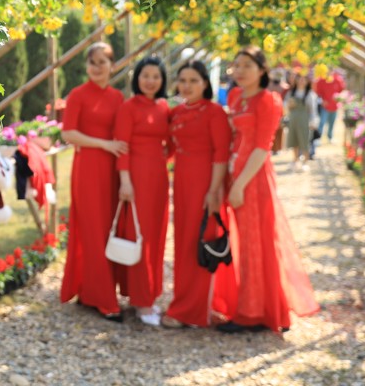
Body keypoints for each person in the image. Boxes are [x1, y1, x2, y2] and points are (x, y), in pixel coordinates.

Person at [220, 46, 319, 333]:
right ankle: (253, 305)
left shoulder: (269, 100)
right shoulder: (237, 96)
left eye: (247, 66)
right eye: (236, 66)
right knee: (244, 243)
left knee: (256, 242)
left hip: (253, 179)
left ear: (262, 70)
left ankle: (255, 313)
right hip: (234, 173)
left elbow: (262, 147)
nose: (239, 71)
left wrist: (239, 184)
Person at [162, 61, 237, 329]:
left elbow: (221, 153)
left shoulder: (214, 112)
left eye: (194, 80)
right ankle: (188, 303)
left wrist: (214, 190)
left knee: (200, 240)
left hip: (205, 182)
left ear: (205, 83)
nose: (187, 86)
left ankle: (191, 311)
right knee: (183, 243)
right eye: (182, 80)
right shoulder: (177, 111)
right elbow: (168, 148)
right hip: (182, 181)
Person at [59, 42, 128, 321]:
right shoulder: (77, 95)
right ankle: (104, 299)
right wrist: (104, 144)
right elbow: (69, 134)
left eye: (103, 62)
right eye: (92, 62)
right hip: (88, 167)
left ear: (113, 65)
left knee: (108, 226)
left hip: (112, 169)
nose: (97, 67)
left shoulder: (118, 98)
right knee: (93, 228)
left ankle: (91, 291)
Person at [113, 56, 170, 327]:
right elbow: (121, 145)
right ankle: (141, 300)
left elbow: (171, 142)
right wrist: (125, 180)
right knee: (140, 236)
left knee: (157, 237)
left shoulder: (163, 107)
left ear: (162, 81)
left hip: (158, 177)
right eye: (145, 75)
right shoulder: (129, 107)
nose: (150, 81)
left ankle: (150, 294)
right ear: (137, 78)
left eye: (156, 76)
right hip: (135, 178)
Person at [284, 72, 318, 171]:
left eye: (304, 79)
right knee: (294, 140)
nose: (302, 81)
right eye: (300, 78)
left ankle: (305, 162)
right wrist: (288, 105)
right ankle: (295, 160)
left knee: (304, 141)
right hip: (293, 119)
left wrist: (313, 122)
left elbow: (313, 110)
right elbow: (286, 105)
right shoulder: (291, 92)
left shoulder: (310, 94)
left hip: (304, 120)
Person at [314, 69, 346, 143]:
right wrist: (322, 101)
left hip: (334, 106)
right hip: (325, 106)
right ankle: (318, 138)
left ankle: (330, 137)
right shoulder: (321, 80)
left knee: (332, 122)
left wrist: (339, 99)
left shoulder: (337, 79)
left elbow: (341, 91)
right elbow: (318, 93)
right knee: (322, 122)